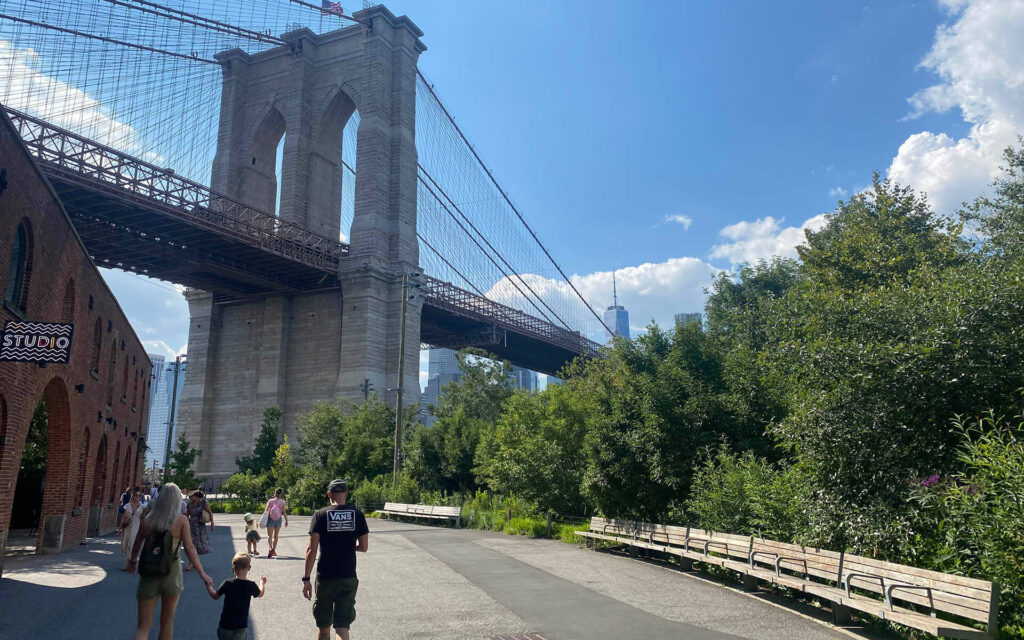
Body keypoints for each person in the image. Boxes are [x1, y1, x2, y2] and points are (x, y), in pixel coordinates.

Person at [129, 483, 213, 640]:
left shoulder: (147, 520)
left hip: (149, 573)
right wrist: (202, 573)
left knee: (143, 626)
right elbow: (190, 548)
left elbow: (137, 544)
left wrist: (132, 561)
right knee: (167, 622)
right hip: (171, 573)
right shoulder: (181, 520)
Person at [302, 479, 369, 640]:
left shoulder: (320, 515)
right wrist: (347, 546)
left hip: (325, 577)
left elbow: (312, 549)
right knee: (342, 627)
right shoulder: (357, 514)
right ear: (346, 493)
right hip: (348, 576)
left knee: (324, 628)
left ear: (329, 495)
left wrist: (306, 579)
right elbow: (364, 547)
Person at [207, 551, 266, 640]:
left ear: (233, 569)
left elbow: (215, 596)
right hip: (241, 626)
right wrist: (262, 582)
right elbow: (260, 594)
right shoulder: (251, 585)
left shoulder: (228, 583)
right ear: (249, 568)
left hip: (225, 625)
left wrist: (208, 586)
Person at [185, 489, 214, 570]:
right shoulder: (189, 505)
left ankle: (194, 563)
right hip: (191, 526)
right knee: (191, 545)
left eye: (191, 496)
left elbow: (210, 513)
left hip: (200, 527)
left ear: (196, 496)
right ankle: (191, 563)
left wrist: (212, 523)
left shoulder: (204, 503)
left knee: (198, 545)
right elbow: (186, 515)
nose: (190, 497)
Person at [120, 489, 143, 570]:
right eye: (136, 495)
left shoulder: (142, 507)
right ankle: (130, 563)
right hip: (127, 527)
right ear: (133, 496)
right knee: (125, 544)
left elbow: (143, 518)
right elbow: (124, 517)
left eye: (139, 495)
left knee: (132, 545)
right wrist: (120, 528)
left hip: (136, 527)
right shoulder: (127, 505)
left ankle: (130, 565)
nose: (138, 497)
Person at [264, 488, 289, 558]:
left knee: (269, 536)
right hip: (278, 519)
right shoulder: (283, 502)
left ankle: (270, 548)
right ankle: (274, 550)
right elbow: (284, 512)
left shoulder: (270, 501)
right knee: (276, 536)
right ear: (280, 494)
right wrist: (286, 520)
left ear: (275, 493)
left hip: (271, 519)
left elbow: (266, 511)